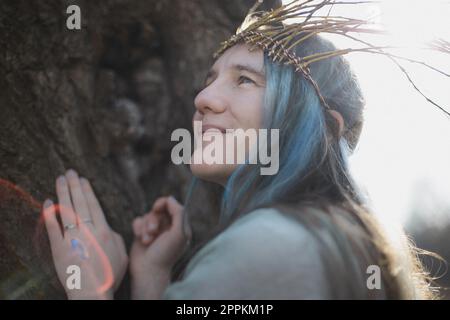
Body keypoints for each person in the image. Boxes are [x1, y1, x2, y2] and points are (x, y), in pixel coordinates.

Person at [42, 1, 437, 300]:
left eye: (245, 80)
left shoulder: (269, 245)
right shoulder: (331, 241)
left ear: (324, 129)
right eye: (209, 79)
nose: (204, 98)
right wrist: (153, 278)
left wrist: (92, 291)